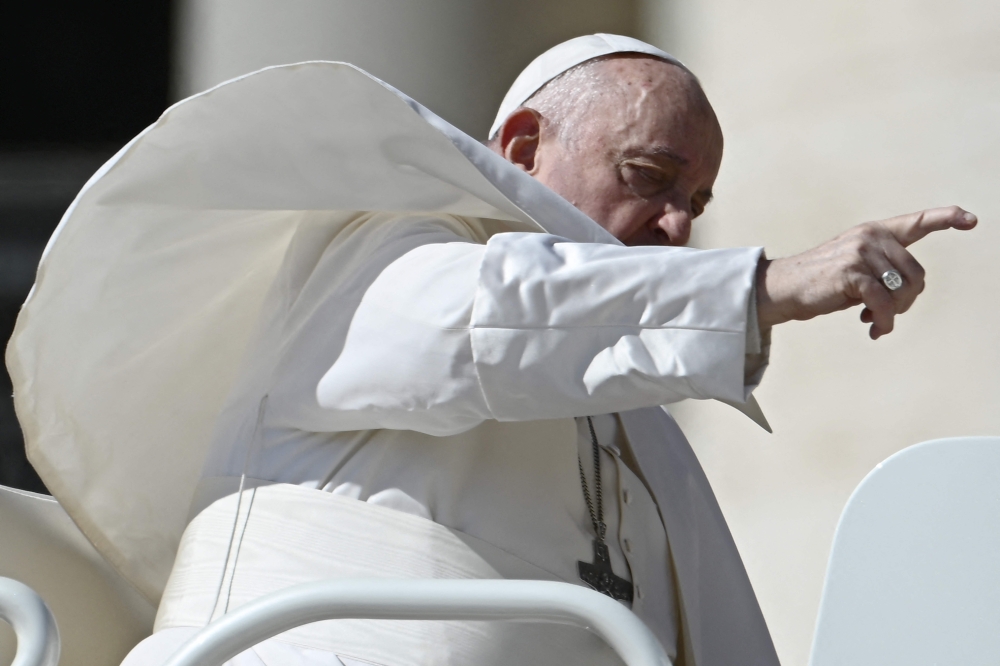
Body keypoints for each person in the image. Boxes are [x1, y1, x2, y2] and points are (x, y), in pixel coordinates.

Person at [7, 34, 975, 666]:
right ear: (518, 147)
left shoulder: (634, 422)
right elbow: (489, 322)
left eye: (698, 204)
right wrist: (764, 286)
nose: (677, 225)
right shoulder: (389, 251)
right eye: (649, 175)